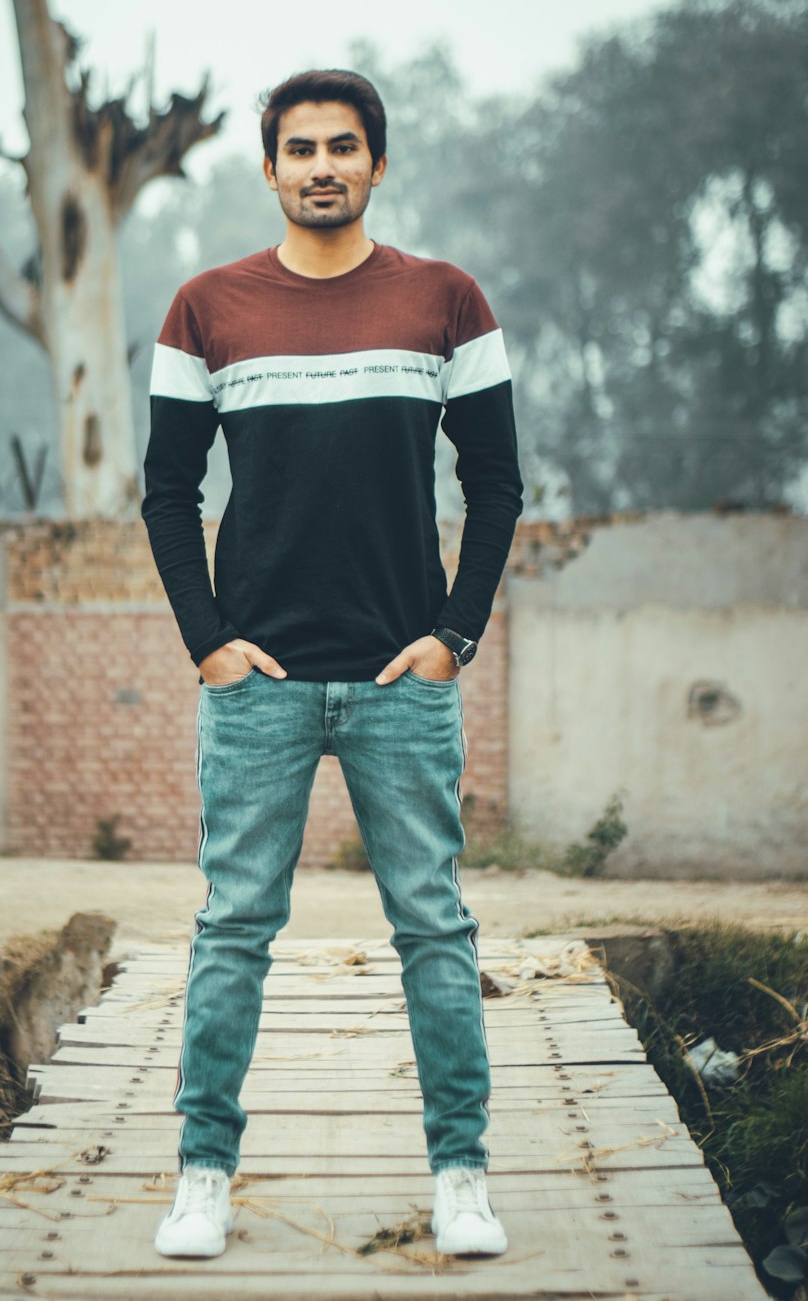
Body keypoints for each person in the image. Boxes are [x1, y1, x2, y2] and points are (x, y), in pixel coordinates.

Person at [141, 68, 523, 1261]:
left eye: (342, 146)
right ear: (268, 168)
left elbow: (498, 483)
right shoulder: (206, 308)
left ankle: (460, 1177)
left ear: (376, 164)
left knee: (433, 926)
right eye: (298, 147)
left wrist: (451, 637)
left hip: (400, 683)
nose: (320, 165)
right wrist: (210, 646)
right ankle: (203, 1174)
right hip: (255, 684)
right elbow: (165, 492)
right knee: (233, 926)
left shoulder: (445, 302)